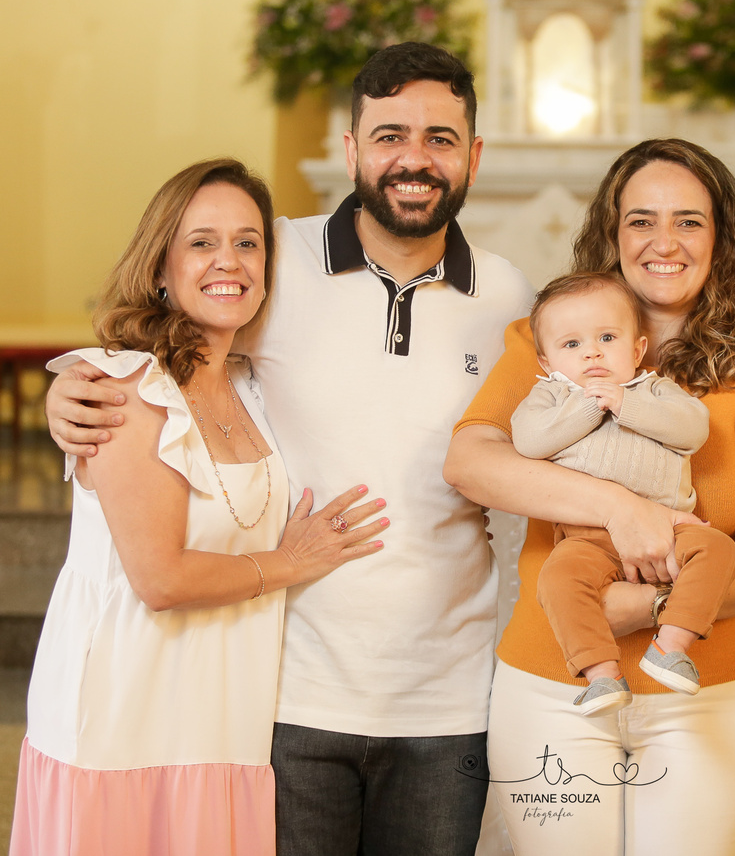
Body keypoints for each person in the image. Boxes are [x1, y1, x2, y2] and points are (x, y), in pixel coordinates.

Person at [44, 44, 534, 856]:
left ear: (474, 156)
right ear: (351, 149)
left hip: (448, 697)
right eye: (389, 136)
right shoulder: (273, 260)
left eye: (441, 138)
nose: (414, 159)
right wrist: (69, 389)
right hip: (288, 691)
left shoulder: (508, 294)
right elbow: (168, 341)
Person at [445, 137, 735, 855]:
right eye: (641, 220)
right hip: (553, 684)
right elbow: (472, 462)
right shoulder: (552, 343)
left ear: (722, 237)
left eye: (689, 221)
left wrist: (648, 608)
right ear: (612, 234)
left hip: (706, 694)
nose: (663, 241)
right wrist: (623, 509)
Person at [10, 158, 386, 856]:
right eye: (202, 242)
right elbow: (160, 579)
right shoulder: (126, 389)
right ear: (161, 265)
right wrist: (290, 562)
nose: (229, 262)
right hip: (127, 718)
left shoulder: (249, 384)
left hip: (222, 717)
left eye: (248, 242)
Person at [512, 271, 735, 715]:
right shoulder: (550, 396)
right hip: (586, 539)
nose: (592, 352)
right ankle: (601, 674)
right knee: (558, 580)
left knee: (719, 550)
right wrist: (588, 405)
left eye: (607, 338)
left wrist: (624, 402)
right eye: (572, 344)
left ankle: (670, 646)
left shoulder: (654, 389)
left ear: (637, 350)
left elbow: (692, 430)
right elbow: (529, 441)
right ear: (546, 361)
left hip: (668, 530)